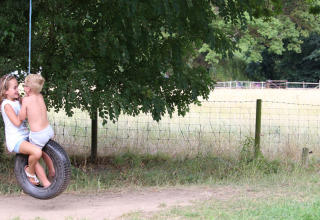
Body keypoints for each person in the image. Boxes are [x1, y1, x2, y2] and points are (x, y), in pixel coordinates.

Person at [0, 74, 51, 187]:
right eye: (14, 88)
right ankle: (30, 172)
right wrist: (25, 109)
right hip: (16, 140)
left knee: (39, 152)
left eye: (18, 86)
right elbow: (17, 122)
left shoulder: (17, 100)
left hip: (26, 136)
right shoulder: (6, 105)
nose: (18, 90)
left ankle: (47, 182)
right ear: (5, 91)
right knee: (36, 152)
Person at [19, 74, 55, 182]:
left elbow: (21, 117)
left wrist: (22, 104)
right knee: (44, 151)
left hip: (38, 135)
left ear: (28, 89)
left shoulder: (26, 100)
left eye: (24, 85)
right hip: (48, 130)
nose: (23, 87)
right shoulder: (40, 96)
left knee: (33, 153)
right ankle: (52, 170)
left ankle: (30, 171)